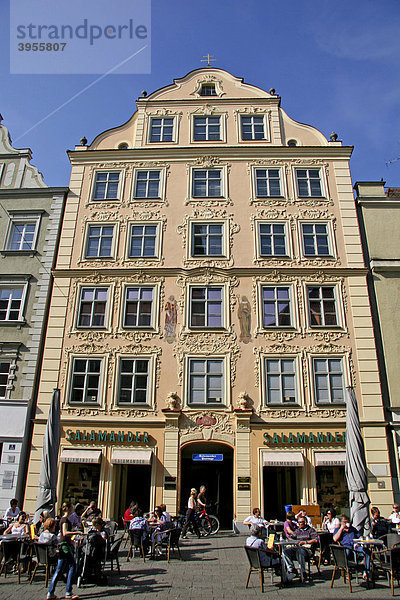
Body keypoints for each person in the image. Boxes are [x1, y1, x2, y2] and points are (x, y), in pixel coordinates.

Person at [46, 502, 79, 600]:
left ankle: (50, 593)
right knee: (72, 565)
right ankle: (68, 592)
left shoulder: (64, 519)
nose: (73, 509)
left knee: (59, 570)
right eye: (72, 508)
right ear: (68, 509)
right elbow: (65, 533)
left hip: (62, 545)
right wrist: (76, 532)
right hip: (64, 546)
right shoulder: (64, 520)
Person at [282, 516, 318, 581]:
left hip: (307, 550)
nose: (299, 524)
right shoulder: (297, 531)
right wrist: (293, 541)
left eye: (301, 522)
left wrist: (305, 542)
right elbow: (290, 537)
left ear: (305, 522)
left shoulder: (311, 530)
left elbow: (316, 540)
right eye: (298, 522)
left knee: (300, 552)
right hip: (297, 547)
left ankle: (303, 572)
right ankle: (291, 569)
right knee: (285, 551)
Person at [333, 515, 370, 580]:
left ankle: (366, 572)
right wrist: (341, 528)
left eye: (347, 522)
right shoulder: (338, 529)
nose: (346, 524)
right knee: (346, 552)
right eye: (344, 522)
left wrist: (360, 539)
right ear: (341, 522)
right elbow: (335, 539)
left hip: (355, 546)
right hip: (345, 547)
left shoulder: (352, 529)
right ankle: (348, 572)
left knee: (366, 551)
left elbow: (359, 536)